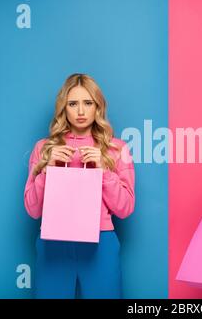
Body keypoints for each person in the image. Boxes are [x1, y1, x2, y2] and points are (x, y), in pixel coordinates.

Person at [24, 73, 135, 298]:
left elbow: (125, 208)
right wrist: (48, 169)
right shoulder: (44, 148)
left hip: (100, 243)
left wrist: (103, 170)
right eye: (73, 104)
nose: (81, 111)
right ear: (63, 108)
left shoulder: (116, 148)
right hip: (53, 242)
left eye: (88, 103)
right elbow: (32, 210)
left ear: (98, 107)